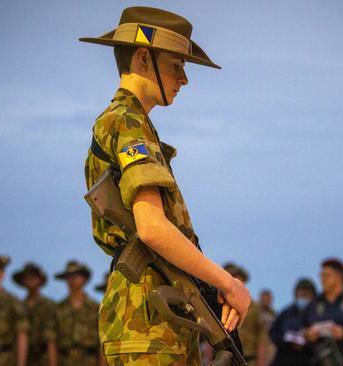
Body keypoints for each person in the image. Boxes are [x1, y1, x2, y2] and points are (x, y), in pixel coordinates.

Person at [80, 6, 250, 365]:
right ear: (144, 58)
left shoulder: (130, 123)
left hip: (156, 312)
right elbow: (152, 228)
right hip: (146, 318)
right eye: (176, 65)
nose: (184, 78)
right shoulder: (126, 122)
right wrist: (227, 283)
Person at [54, 260, 102, 366]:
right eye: (69, 276)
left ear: (84, 278)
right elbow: (52, 341)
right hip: (64, 361)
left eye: (76, 276)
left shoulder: (95, 308)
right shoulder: (58, 308)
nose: (72, 280)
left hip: (90, 361)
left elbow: (101, 341)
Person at [12, 263, 56, 366]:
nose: (30, 281)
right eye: (27, 278)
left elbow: (52, 339)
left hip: (44, 357)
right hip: (22, 357)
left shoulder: (50, 306)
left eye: (33, 277)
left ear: (40, 280)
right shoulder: (17, 306)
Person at [224, 263, 267, 366]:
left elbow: (262, 337)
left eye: (241, 282)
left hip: (249, 359)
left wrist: (261, 362)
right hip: (224, 358)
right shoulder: (221, 305)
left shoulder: (255, 308)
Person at [269, 278, 316, 366]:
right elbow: (273, 332)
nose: (303, 298)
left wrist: (307, 343)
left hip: (307, 359)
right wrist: (286, 342)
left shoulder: (318, 314)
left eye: (306, 295)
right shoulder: (286, 312)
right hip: (283, 359)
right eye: (301, 294)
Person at [259, 289, 277, 366]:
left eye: (267, 299)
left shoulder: (274, 316)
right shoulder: (254, 312)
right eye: (263, 298)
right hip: (255, 344)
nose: (265, 301)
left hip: (268, 345)